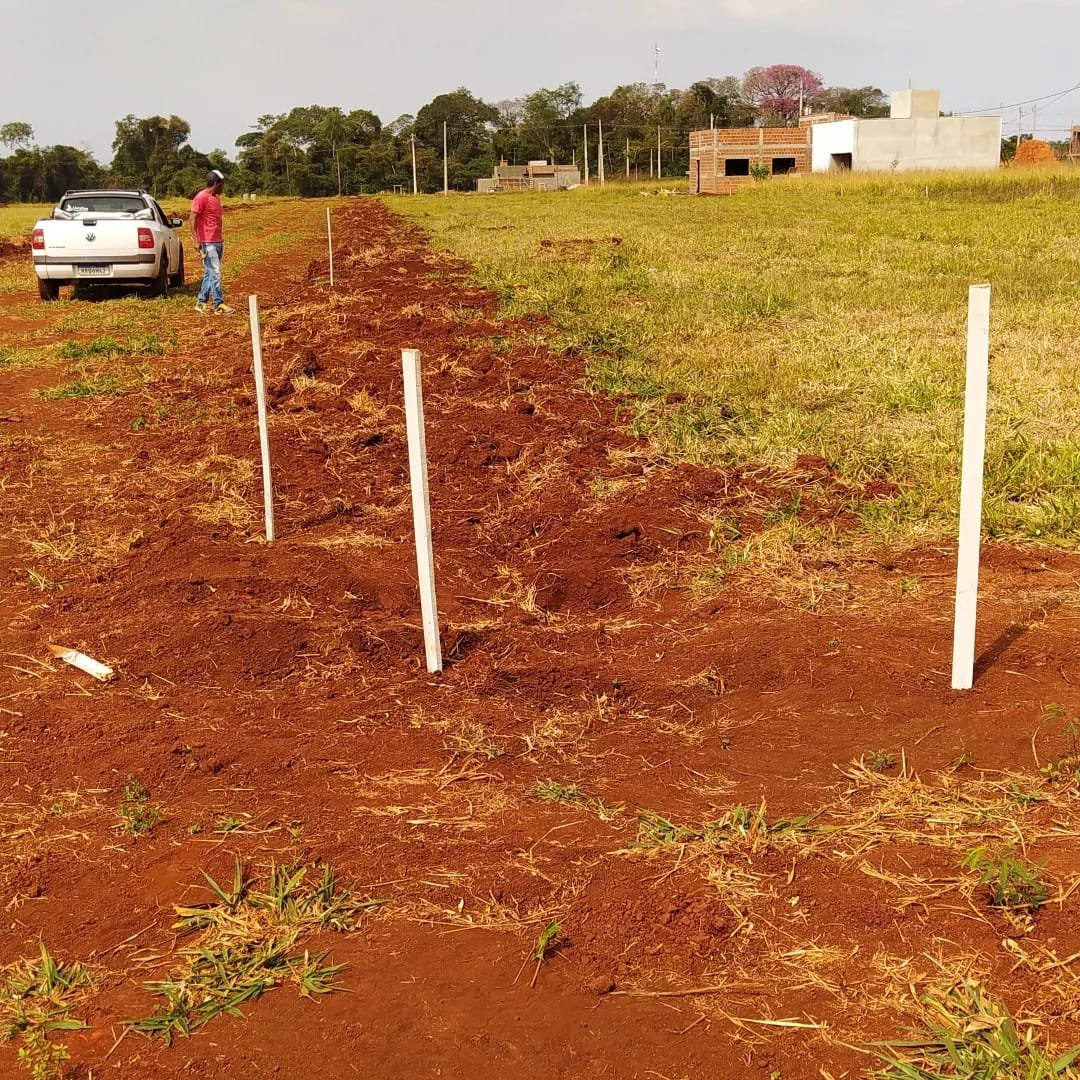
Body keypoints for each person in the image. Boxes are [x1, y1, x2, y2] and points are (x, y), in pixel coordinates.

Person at [191, 169, 232, 315]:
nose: (223, 187)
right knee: (215, 272)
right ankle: (218, 304)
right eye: (222, 184)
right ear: (216, 183)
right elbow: (192, 219)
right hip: (208, 242)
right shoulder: (201, 197)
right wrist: (196, 241)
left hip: (217, 240)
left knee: (210, 273)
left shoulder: (216, 197)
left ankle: (201, 302)